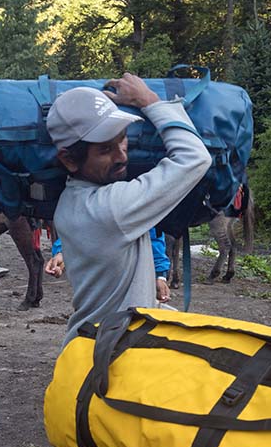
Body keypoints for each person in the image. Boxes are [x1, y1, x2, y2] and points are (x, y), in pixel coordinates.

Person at [47, 73, 211, 344]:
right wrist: (150, 101)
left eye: (123, 138)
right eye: (105, 149)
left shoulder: (72, 200)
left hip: (94, 341)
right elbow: (194, 158)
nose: (122, 155)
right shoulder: (111, 209)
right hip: (112, 356)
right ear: (69, 160)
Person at [46, 228, 171, 303]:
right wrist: (63, 252)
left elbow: (153, 232)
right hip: (94, 277)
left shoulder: (137, 194)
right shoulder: (89, 192)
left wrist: (160, 275)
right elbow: (76, 223)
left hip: (132, 276)